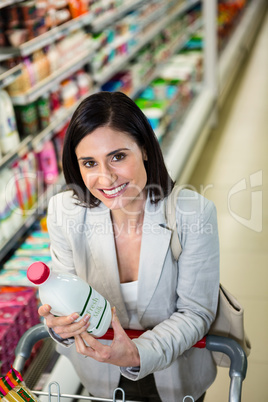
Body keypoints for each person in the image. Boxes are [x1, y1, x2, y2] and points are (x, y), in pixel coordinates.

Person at [39, 91, 220, 402]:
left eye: (118, 156)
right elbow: (64, 295)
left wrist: (137, 352)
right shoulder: (64, 213)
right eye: (89, 163)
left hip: (177, 375)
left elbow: (195, 312)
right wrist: (60, 326)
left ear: (146, 149)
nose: (106, 177)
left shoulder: (193, 214)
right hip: (101, 378)